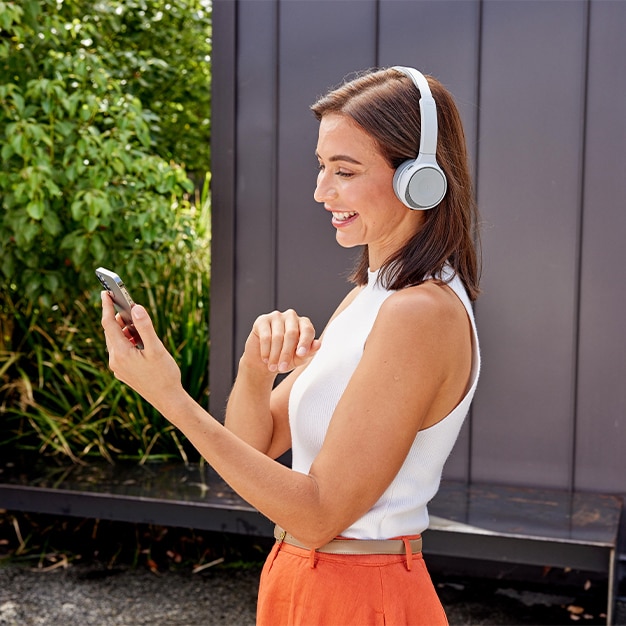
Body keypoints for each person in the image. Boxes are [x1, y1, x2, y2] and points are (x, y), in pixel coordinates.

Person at [101, 65, 481, 625]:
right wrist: (255, 370)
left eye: (345, 171)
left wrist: (169, 398)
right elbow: (253, 450)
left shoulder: (419, 313)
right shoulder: (371, 294)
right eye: (322, 166)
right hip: (303, 578)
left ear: (419, 179)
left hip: (356, 594)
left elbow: (319, 513)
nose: (321, 191)